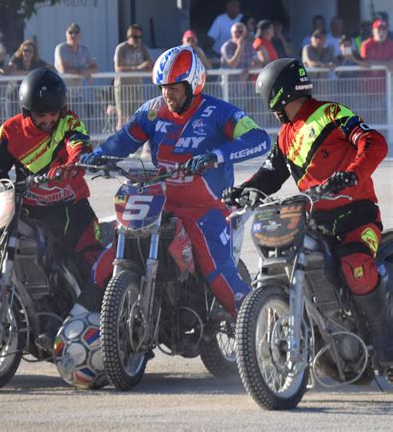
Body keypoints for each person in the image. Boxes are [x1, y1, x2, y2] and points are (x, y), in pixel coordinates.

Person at [223, 58, 392, 369]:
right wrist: (239, 193)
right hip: (314, 222)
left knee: (355, 265)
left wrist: (352, 174)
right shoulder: (286, 136)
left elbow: (374, 142)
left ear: (275, 94)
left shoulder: (331, 113)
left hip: (357, 218)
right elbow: (268, 177)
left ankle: (386, 348)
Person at [80, 46, 271, 319]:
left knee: (218, 274)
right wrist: (97, 156)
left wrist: (216, 156)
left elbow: (259, 139)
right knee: (108, 256)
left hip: (206, 209)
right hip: (159, 203)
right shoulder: (152, 112)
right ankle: (81, 322)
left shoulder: (219, 112)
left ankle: (262, 328)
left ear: (193, 84)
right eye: (163, 87)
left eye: (174, 88)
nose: (167, 94)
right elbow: (123, 140)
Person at [0, 68, 103, 282]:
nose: (48, 120)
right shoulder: (10, 132)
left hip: (71, 209)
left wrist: (72, 165)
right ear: (28, 111)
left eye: (53, 114)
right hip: (27, 211)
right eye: (41, 115)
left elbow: (80, 147)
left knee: (92, 264)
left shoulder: (69, 121)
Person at [113, 24, 153, 129]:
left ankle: (133, 142)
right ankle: (118, 142)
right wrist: (138, 68)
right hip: (122, 87)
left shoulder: (143, 48)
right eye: (135, 37)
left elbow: (150, 65)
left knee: (135, 116)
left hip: (137, 87)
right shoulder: (121, 48)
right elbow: (118, 68)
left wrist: (147, 67)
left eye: (140, 37)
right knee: (122, 117)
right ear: (129, 37)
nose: (138, 40)